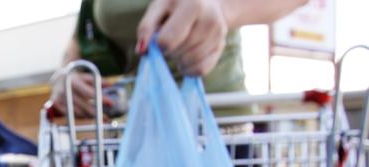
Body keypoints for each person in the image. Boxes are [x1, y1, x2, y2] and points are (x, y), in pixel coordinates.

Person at [51, 0, 309, 119]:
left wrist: (222, 8)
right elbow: (80, 37)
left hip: (212, 126)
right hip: (130, 133)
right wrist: (67, 73)